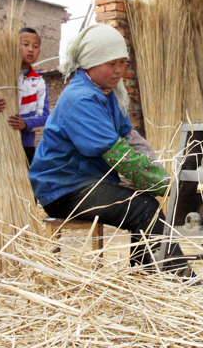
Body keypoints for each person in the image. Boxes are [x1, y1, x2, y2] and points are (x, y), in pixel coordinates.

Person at [29, 24, 192, 276]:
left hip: (86, 182)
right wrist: (165, 185)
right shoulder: (81, 99)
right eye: (111, 63)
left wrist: (160, 174)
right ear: (89, 63)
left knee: (144, 205)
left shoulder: (107, 93)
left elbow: (129, 137)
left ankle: (147, 276)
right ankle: (180, 280)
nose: (119, 70)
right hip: (63, 190)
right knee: (143, 208)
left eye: (122, 62)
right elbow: (119, 155)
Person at [0, 27, 49, 166]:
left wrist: (25, 124)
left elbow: (44, 116)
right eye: (25, 44)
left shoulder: (38, 82)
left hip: (23, 146)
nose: (30, 49)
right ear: (12, 47)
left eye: (35, 46)